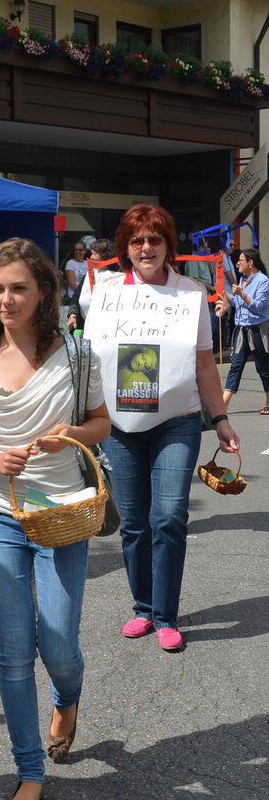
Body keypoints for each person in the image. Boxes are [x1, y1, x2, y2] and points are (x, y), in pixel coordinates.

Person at [0, 238, 110, 800]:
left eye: (19, 288)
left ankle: (67, 699)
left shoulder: (76, 355)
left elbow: (101, 425)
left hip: (63, 516)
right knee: (15, 650)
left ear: (44, 291)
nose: (7, 300)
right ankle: (30, 773)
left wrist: (72, 434)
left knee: (60, 648)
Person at [83, 205, 239, 653]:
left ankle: (166, 615)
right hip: (119, 424)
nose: (146, 247)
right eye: (137, 241)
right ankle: (143, 607)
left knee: (168, 517)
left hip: (178, 421)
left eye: (154, 239)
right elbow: (88, 359)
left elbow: (205, 363)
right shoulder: (104, 292)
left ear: (169, 244)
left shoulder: (191, 293)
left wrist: (222, 419)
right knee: (133, 523)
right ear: (125, 248)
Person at [215, 247, 269, 413]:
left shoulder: (263, 281)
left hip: (258, 330)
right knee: (236, 366)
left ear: (250, 263)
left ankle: (268, 400)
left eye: (241, 260)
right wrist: (227, 296)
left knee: (263, 367)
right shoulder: (242, 279)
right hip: (242, 330)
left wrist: (241, 293)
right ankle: (224, 403)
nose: (237, 263)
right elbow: (238, 304)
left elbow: (258, 307)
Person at [67, 237, 116, 331]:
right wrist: (72, 316)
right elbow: (76, 295)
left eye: (94, 254)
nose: (91, 257)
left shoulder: (119, 274)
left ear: (105, 254)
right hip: (84, 325)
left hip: (108, 327)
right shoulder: (90, 273)